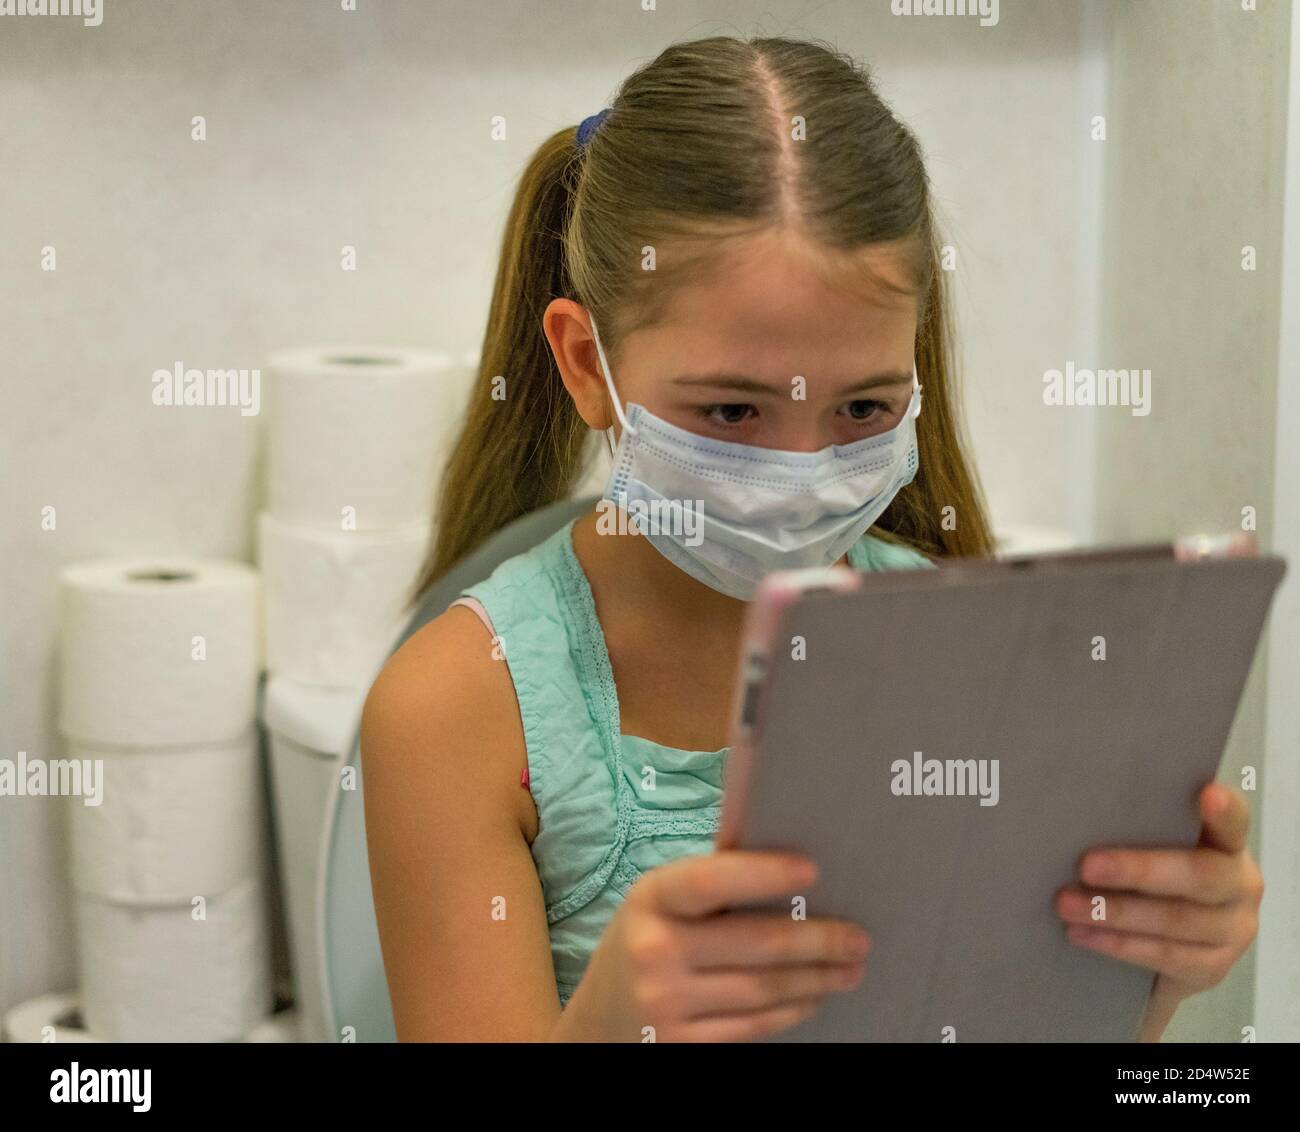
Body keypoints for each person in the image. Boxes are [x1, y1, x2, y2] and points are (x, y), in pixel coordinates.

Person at [360, 35, 1263, 1042]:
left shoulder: (973, 651)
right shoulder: (457, 706)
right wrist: (614, 1017)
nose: (800, 477)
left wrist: (1153, 978)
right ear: (585, 363)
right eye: (733, 414)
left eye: (864, 408)